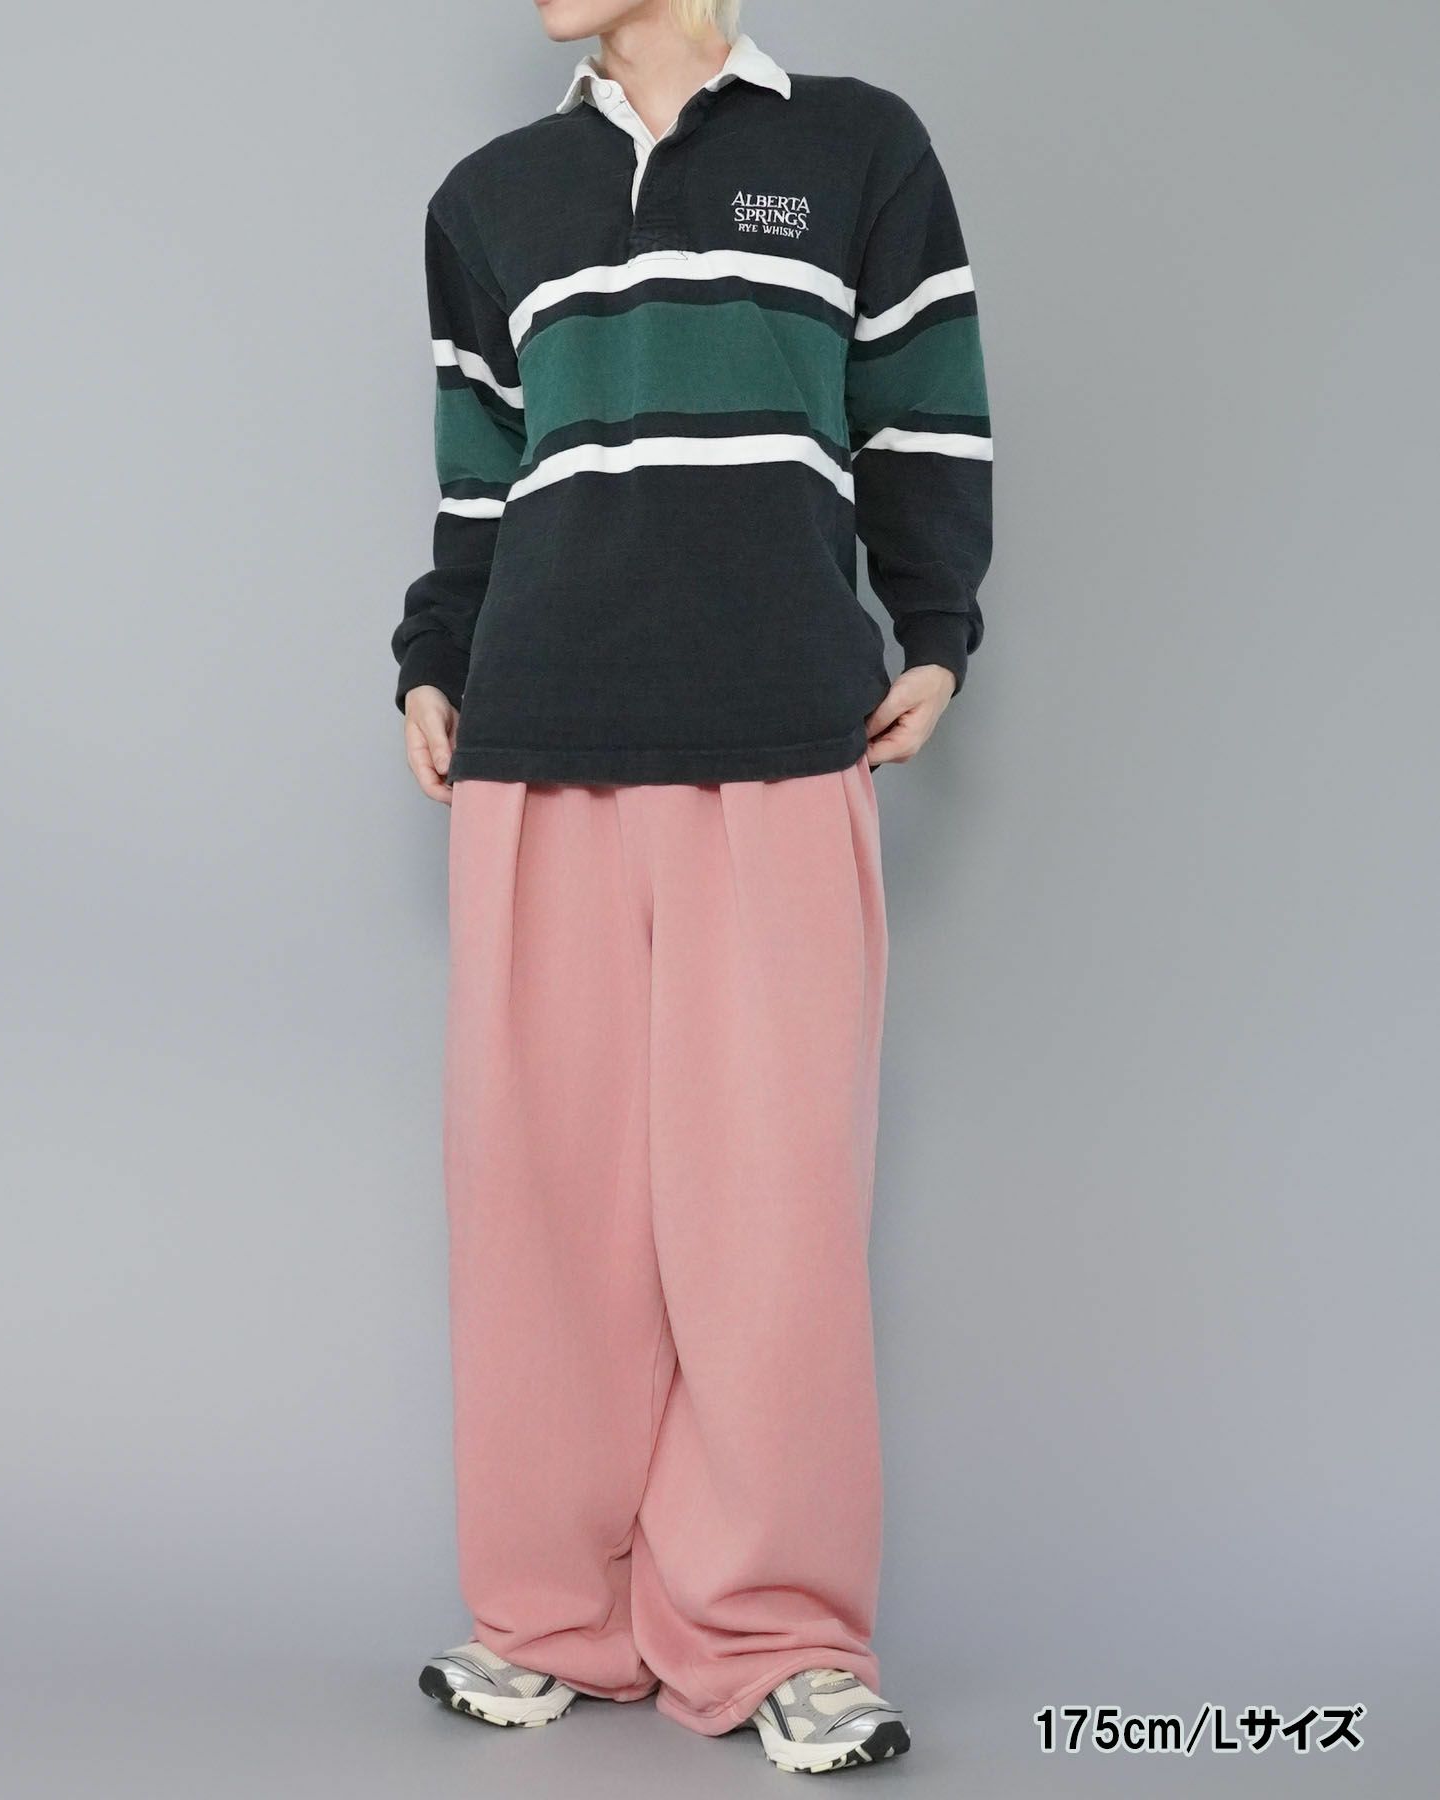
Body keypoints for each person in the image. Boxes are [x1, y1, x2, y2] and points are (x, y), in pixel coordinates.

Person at [393, 0, 991, 1773]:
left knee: (769, 1216)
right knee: (545, 1211)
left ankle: (777, 1631)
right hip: (536, 739)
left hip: (777, 739)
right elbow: (479, 482)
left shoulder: (858, 147)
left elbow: (923, 419)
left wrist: (937, 628)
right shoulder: (490, 197)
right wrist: (433, 658)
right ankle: (551, 1618)